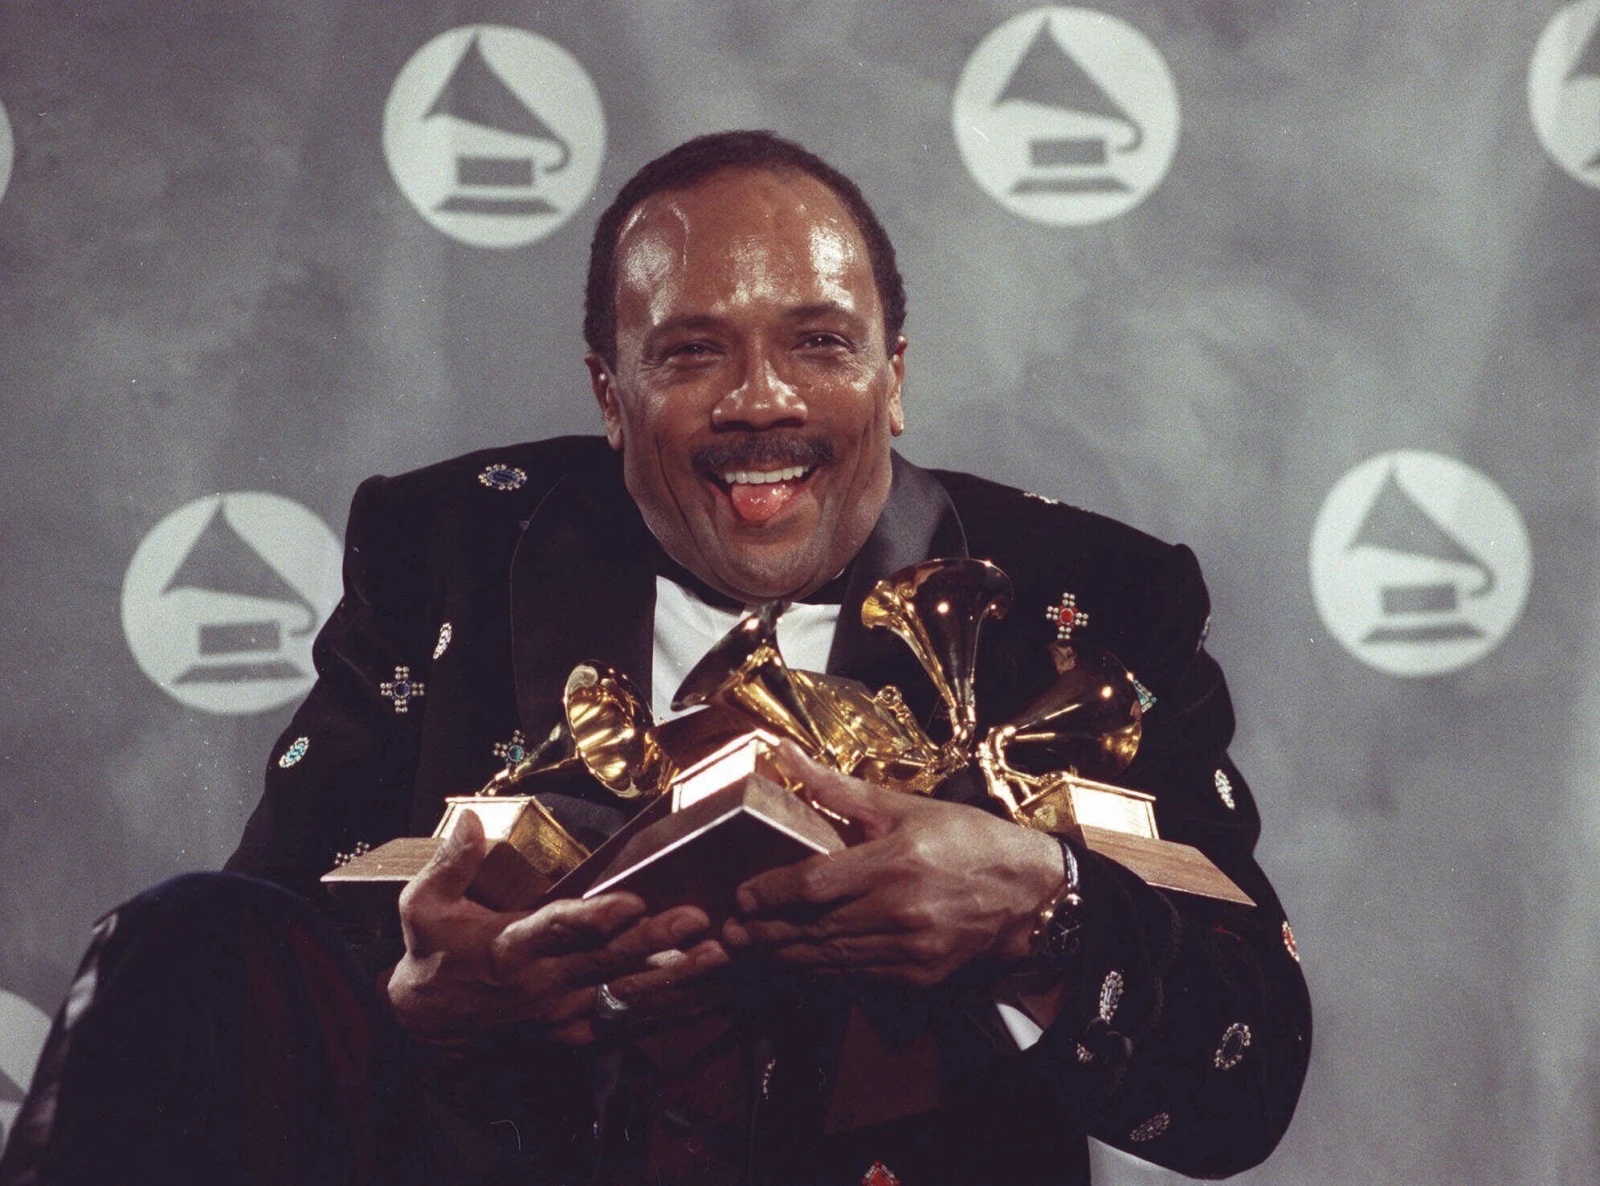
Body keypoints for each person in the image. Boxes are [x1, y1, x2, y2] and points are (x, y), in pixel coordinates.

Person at [0, 131, 1310, 1186]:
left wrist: (1041, 912)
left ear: (893, 376)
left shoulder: (1079, 604)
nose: (761, 400)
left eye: (818, 340)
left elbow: (1247, 1075)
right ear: (608, 390)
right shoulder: (451, 552)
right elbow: (273, 972)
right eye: (693, 352)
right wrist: (424, 999)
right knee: (187, 939)